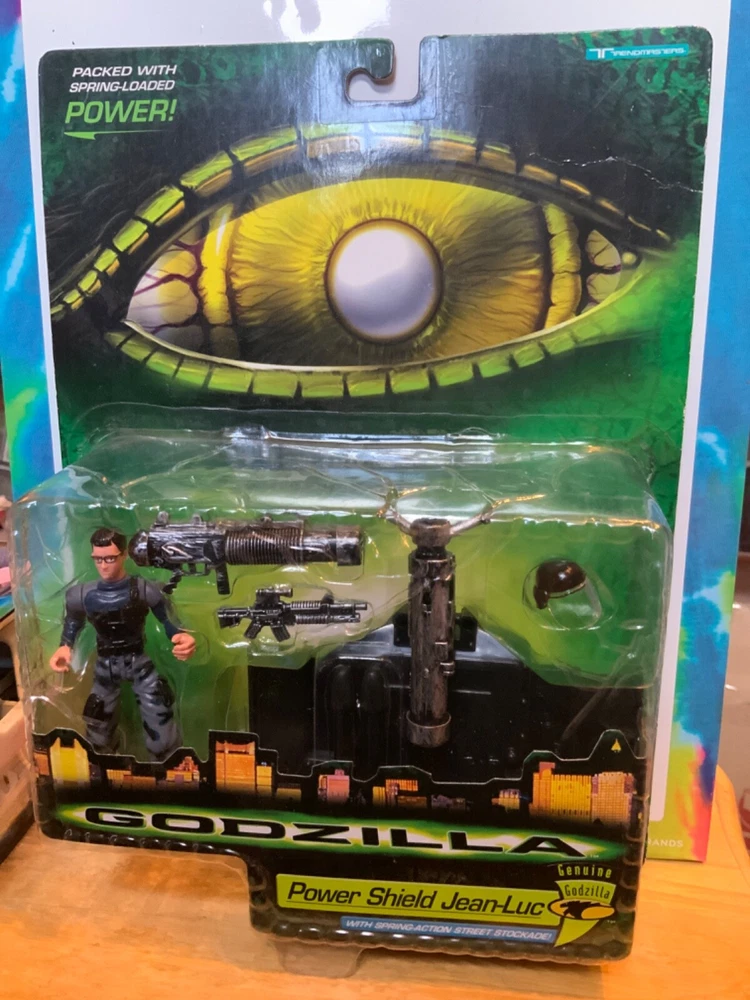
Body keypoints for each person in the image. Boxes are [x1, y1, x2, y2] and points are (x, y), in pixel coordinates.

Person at [49, 527, 196, 758]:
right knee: (97, 721)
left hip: (138, 662)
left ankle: (168, 765)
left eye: (109, 558)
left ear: (124, 555)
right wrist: (65, 647)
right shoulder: (82, 594)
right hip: (105, 665)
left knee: (159, 711)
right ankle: (101, 764)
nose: (103, 565)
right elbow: (72, 622)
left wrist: (182, 637)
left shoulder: (144, 589)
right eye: (98, 559)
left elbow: (168, 620)